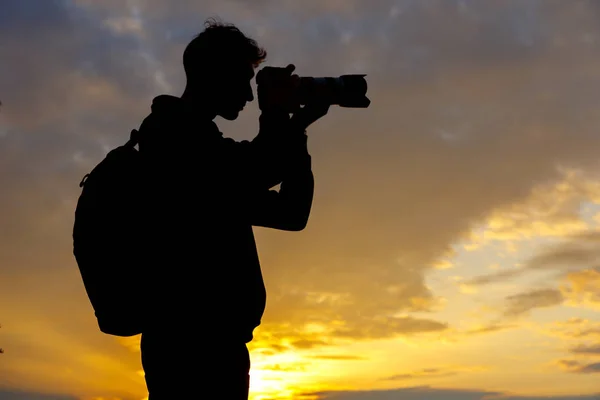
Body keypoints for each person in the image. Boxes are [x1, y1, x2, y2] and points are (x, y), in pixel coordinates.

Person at [135, 18, 329, 399]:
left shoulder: (205, 150)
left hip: (214, 345)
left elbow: (291, 213)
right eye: (243, 79)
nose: (247, 93)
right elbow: (262, 167)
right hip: (189, 346)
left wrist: (298, 127)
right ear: (212, 75)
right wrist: (276, 114)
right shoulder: (171, 138)